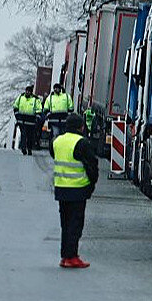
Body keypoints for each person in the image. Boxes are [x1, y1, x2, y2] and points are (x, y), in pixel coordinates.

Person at [53, 113, 99, 268]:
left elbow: (55, 155)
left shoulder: (57, 141)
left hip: (61, 189)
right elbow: (92, 166)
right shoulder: (82, 143)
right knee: (75, 225)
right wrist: (91, 185)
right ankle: (72, 256)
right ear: (81, 127)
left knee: (65, 225)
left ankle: (65, 256)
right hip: (77, 190)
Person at [12, 86, 42, 155]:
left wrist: (37, 118)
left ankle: (29, 148)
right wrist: (17, 117)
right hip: (22, 120)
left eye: (29, 91)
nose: (27, 92)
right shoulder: (21, 97)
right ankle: (23, 148)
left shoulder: (35, 99)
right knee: (23, 134)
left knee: (30, 136)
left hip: (31, 121)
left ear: (31, 92)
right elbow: (15, 107)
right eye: (26, 91)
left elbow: (39, 109)